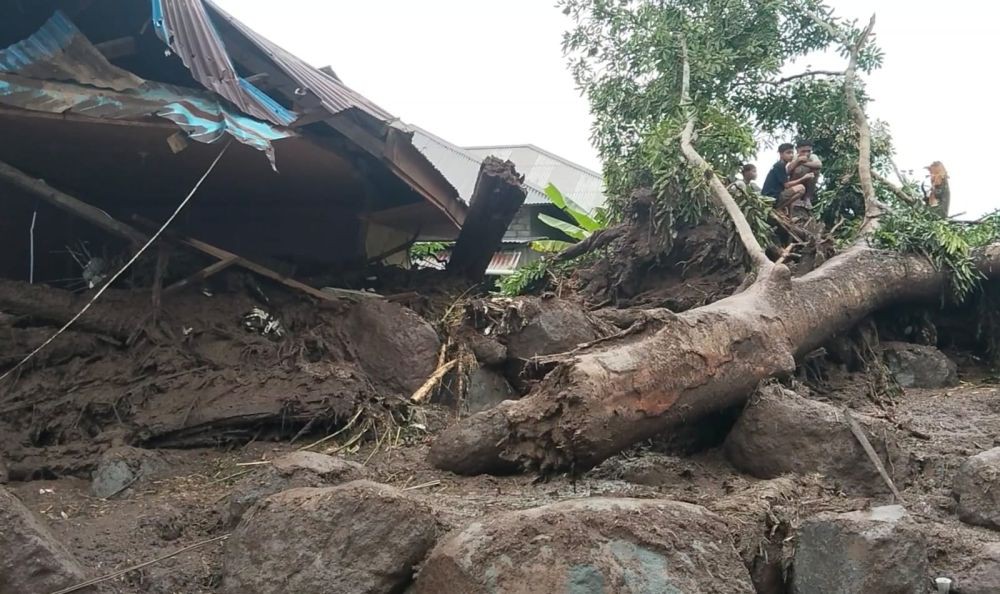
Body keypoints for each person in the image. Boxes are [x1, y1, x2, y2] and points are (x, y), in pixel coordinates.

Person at [761, 142, 819, 211]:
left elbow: (819, 165)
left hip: (776, 195)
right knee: (801, 188)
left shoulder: (782, 165)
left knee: (797, 190)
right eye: (788, 153)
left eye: (792, 153)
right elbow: (787, 185)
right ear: (781, 154)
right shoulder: (780, 165)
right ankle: (778, 208)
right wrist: (804, 178)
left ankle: (787, 214)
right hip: (772, 197)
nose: (791, 155)